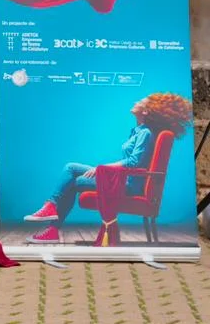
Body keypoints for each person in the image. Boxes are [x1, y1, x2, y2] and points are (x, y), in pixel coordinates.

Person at [24, 92, 193, 244]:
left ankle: (52, 226)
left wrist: (102, 168)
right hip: (122, 178)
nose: (135, 102)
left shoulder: (145, 133)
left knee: (74, 182)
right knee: (71, 167)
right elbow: (130, 161)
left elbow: (134, 162)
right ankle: (51, 207)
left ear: (146, 112)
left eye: (140, 101)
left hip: (127, 185)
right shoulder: (138, 131)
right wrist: (102, 169)